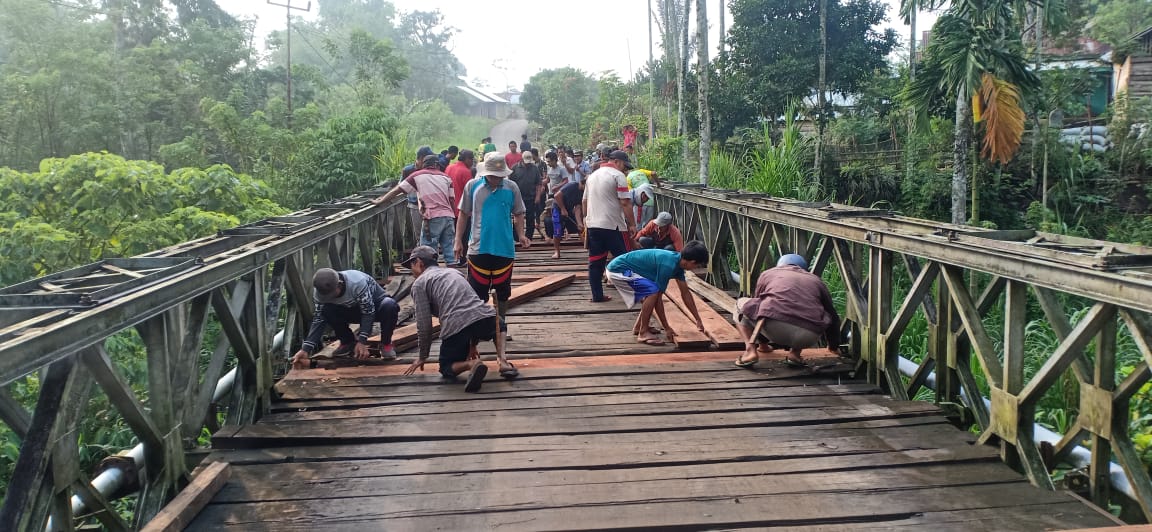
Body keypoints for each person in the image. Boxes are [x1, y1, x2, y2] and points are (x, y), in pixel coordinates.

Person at [401, 246, 518, 392]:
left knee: (446, 367)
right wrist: (472, 344)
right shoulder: (454, 272)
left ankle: (472, 364)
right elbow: (469, 307)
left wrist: (422, 356)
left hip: (456, 326)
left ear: (419, 263)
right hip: (482, 315)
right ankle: (503, 362)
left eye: (411, 266)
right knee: (499, 323)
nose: (412, 272)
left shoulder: (419, 284)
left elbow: (424, 324)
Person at [455, 152, 531, 339]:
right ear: (484, 173)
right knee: (476, 291)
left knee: (503, 291)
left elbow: (519, 213)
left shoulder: (512, 188)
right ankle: (479, 328)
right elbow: (463, 214)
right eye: (491, 176)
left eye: (499, 176)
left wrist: (521, 235)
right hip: (478, 247)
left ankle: (500, 327)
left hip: (504, 248)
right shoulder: (473, 186)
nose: (495, 179)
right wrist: (458, 240)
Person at [734, 254, 841, 369]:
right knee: (812, 310)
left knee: (743, 304)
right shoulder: (816, 280)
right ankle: (795, 354)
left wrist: (763, 340)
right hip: (809, 337)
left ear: (780, 265)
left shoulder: (769, 273)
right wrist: (833, 346)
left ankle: (751, 351)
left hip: (775, 329)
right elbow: (833, 317)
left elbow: (757, 309)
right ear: (804, 268)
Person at [291, 268, 400, 369]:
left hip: (374, 307)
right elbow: (319, 319)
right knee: (326, 310)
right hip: (349, 310)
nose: (329, 298)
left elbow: (368, 312)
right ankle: (348, 342)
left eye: (332, 294)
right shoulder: (320, 293)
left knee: (389, 306)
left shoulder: (357, 283)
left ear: (340, 284)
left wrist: (362, 341)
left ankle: (386, 343)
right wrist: (305, 349)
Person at [606, 242, 709, 346]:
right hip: (618, 270)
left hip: (620, 269)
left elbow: (686, 294)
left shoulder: (678, 265)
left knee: (651, 293)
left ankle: (639, 327)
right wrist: (667, 328)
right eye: (697, 266)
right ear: (692, 262)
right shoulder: (668, 265)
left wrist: (698, 319)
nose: (696, 268)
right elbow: (657, 299)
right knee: (653, 293)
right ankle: (643, 333)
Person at [372, 154, 457, 264]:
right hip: (448, 216)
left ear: (424, 165)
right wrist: (454, 217)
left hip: (432, 217)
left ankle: (430, 277)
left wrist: (380, 201)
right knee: (449, 251)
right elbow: (451, 200)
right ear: (436, 165)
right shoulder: (446, 177)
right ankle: (453, 273)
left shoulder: (417, 175)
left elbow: (397, 190)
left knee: (427, 252)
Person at [582, 150, 638, 303]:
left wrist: (586, 219)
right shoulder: (617, 176)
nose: (625, 171)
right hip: (614, 226)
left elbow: (584, 201)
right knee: (626, 259)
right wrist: (632, 224)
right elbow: (625, 202)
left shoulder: (592, 176)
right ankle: (635, 293)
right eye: (625, 167)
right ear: (617, 162)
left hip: (594, 225)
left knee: (595, 262)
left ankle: (597, 296)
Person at [509, 151, 544, 241]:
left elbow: (539, 183)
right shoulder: (515, 168)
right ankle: (516, 237)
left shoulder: (534, 168)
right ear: (522, 159)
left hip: (530, 197)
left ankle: (529, 237)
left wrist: (538, 196)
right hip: (518, 198)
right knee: (517, 217)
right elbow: (509, 183)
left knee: (530, 218)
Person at [549, 180, 584, 259]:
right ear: (583, 183)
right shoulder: (572, 185)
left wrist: (579, 222)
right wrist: (562, 208)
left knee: (580, 229)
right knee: (557, 230)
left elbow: (578, 208)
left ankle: (588, 249)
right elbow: (557, 195)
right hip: (558, 207)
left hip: (569, 208)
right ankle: (557, 251)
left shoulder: (582, 192)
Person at [445, 149, 475, 219]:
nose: (472, 162)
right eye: (472, 159)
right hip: (461, 211)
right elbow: (471, 193)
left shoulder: (449, 167)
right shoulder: (466, 172)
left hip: (449, 209)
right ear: (467, 159)